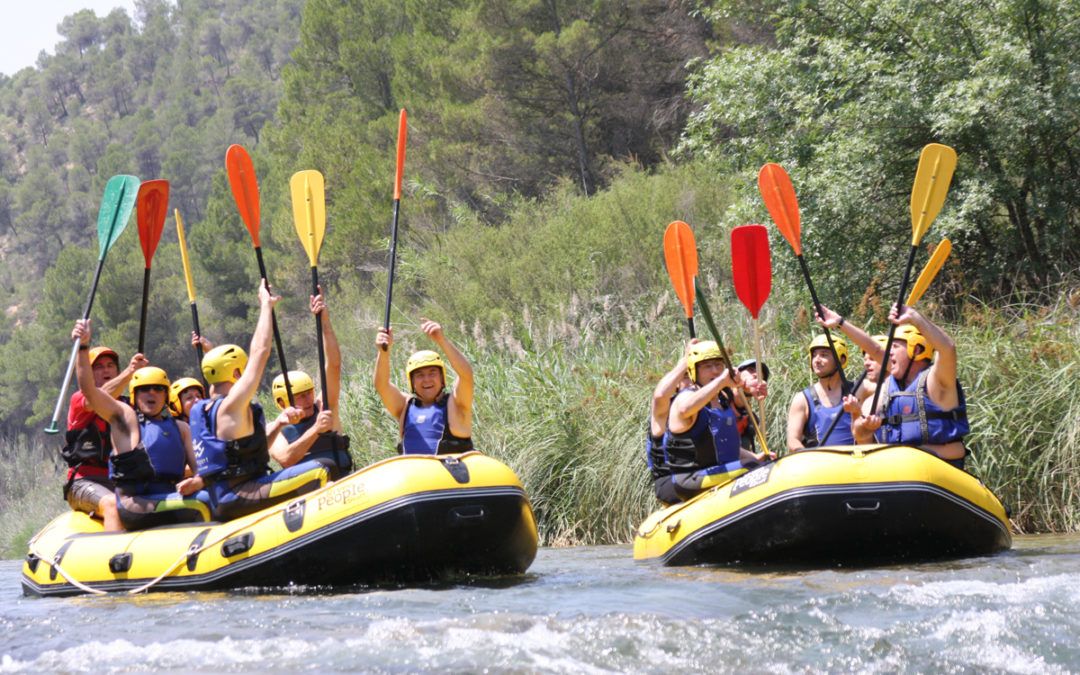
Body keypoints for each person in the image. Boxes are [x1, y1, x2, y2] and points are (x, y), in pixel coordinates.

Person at [188, 284, 329, 521]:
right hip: (242, 492)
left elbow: (247, 451)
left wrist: (281, 423)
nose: (246, 376)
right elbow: (260, 351)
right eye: (242, 372)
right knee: (320, 470)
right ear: (235, 375)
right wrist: (266, 304)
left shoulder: (205, 408)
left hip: (225, 494)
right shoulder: (231, 406)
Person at [851, 305, 970, 468]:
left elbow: (948, 348)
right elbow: (860, 436)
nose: (889, 353)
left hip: (940, 470)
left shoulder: (936, 381)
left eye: (895, 347)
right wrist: (864, 425)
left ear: (917, 349)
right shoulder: (888, 388)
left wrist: (914, 316)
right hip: (899, 471)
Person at [661, 341, 768, 504]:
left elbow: (724, 445)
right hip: (691, 478)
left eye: (719, 365)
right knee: (751, 468)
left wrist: (756, 456)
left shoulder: (723, 398)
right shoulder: (686, 397)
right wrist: (721, 381)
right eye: (707, 366)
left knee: (759, 463)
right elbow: (684, 409)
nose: (716, 370)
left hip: (718, 471)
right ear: (694, 370)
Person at [62, 340, 146, 531]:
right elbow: (96, 398)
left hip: (121, 481)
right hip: (84, 482)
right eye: (98, 367)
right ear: (88, 374)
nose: (105, 370)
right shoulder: (80, 400)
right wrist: (129, 372)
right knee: (111, 504)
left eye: (110, 366)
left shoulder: (129, 405)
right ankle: (115, 558)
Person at [111, 366, 209, 529]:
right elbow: (93, 397)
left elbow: (200, 470)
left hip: (171, 495)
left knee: (211, 495)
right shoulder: (124, 425)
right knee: (205, 500)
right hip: (137, 501)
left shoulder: (182, 428)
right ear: (135, 395)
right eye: (144, 389)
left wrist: (197, 482)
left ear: (166, 395)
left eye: (158, 389)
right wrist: (83, 348)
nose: (152, 393)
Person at [268, 290, 352, 479]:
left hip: (342, 481)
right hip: (310, 494)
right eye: (299, 396)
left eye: (308, 393)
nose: (307, 400)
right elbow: (286, 459)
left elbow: (334, 366)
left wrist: (325, 322)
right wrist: (316, 430)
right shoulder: (275, 430)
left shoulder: (323, 405)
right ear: (282, 403)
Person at [374, 318, 474, 454]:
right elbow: (382, 385)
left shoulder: (456, 403)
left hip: (448, 473)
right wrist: (383, 352)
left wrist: (441, 340)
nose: (426, 380)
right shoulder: (405, 405)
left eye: (432, 373)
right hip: (414, 474)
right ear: (412, 381)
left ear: (442, 378)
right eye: (420, 375)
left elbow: (466, 375)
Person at [786, 333, 856, 451]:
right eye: (814, 355)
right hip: (820, 465)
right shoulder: (802, 399)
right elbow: (792, 440)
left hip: (855, 463)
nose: (817, 360)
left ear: (841, 359)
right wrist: (807, 456)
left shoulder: (857, 390)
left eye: (824, 355)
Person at [646, 343, 694, 499]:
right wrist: (686, 361)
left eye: (695, 375)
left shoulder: (714, 405)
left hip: (698, 474)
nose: (692, 382)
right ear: (677, 385)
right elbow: (660, 395)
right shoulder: (664, 410)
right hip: (670, 480)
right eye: (686, 377)